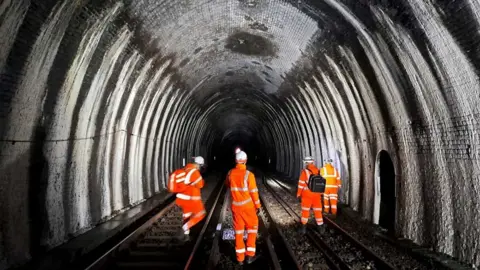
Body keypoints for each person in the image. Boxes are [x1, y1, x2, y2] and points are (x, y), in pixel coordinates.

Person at [225, 151, 261, 265]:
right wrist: (258, 206)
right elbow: (254, 192)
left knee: (239, 232)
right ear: (245, 160)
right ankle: (250, 256)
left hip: (236, 207)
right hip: (248, 207)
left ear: (236, 161)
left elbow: (227, 185)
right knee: (252, 229)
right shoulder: (248, 175)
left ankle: (240, 258)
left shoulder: (230, 173)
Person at [174, 156, 206, 241]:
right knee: (201, 214)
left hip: (181, 198)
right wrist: (202, 181)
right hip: (190, 198)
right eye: (201, 166)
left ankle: (186, 236)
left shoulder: (186, 169)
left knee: (187, 216)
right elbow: (200, 184)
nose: (200, 168)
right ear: (198, 165)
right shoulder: (195, 172)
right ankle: (184, 228)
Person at [296, 156, 324, 234]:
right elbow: (321, 183)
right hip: (317, 195)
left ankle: (303, 229)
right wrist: (320, 194)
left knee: (305, 211)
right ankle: (321, 228)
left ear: (306, 163)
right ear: (312, 162)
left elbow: (301, 184)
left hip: (307, 195)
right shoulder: (318, 171)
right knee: (318, 211)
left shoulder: (305, 172)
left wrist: (298, 194)